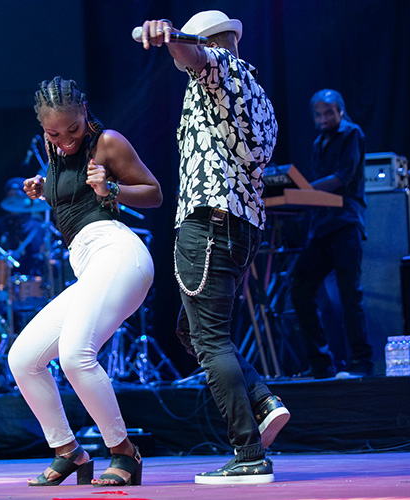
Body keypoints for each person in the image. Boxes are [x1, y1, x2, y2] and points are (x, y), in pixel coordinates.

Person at [139, 10, 288, 484]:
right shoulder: (258, 93)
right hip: (242, 226)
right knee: (194, 329)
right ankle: (262, 399)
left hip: (208, 223)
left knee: (209, 339)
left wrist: (168, 36)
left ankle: (248, 454)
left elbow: (196, 57)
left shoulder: (218, 68)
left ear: (208, 43)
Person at [8, 76, 162, 487]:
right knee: (23, 359)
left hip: (118, 253)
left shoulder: (107, 142)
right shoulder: (54, 150)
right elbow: (73, 197)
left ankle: (124, 452)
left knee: (76, 355)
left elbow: (154, 193)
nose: (65, 140)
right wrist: (43, 188)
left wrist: (111, 188)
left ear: (85, 111)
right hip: (89, 265)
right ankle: (69, 453)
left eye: (72, 129)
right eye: (54, 134)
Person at [290, 89, 371, 378]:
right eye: (319, 115)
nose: (323, 119)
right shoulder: (318, 142)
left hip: (345, 224)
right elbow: (318, 192)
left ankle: (362, 363)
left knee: (350, 294)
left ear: (340, 110)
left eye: (329, 113)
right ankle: (321, 363)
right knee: (300, 289)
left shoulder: (352, 134)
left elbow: (342, 177)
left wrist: (302, 191)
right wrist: (300, 197)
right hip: (321, 228)